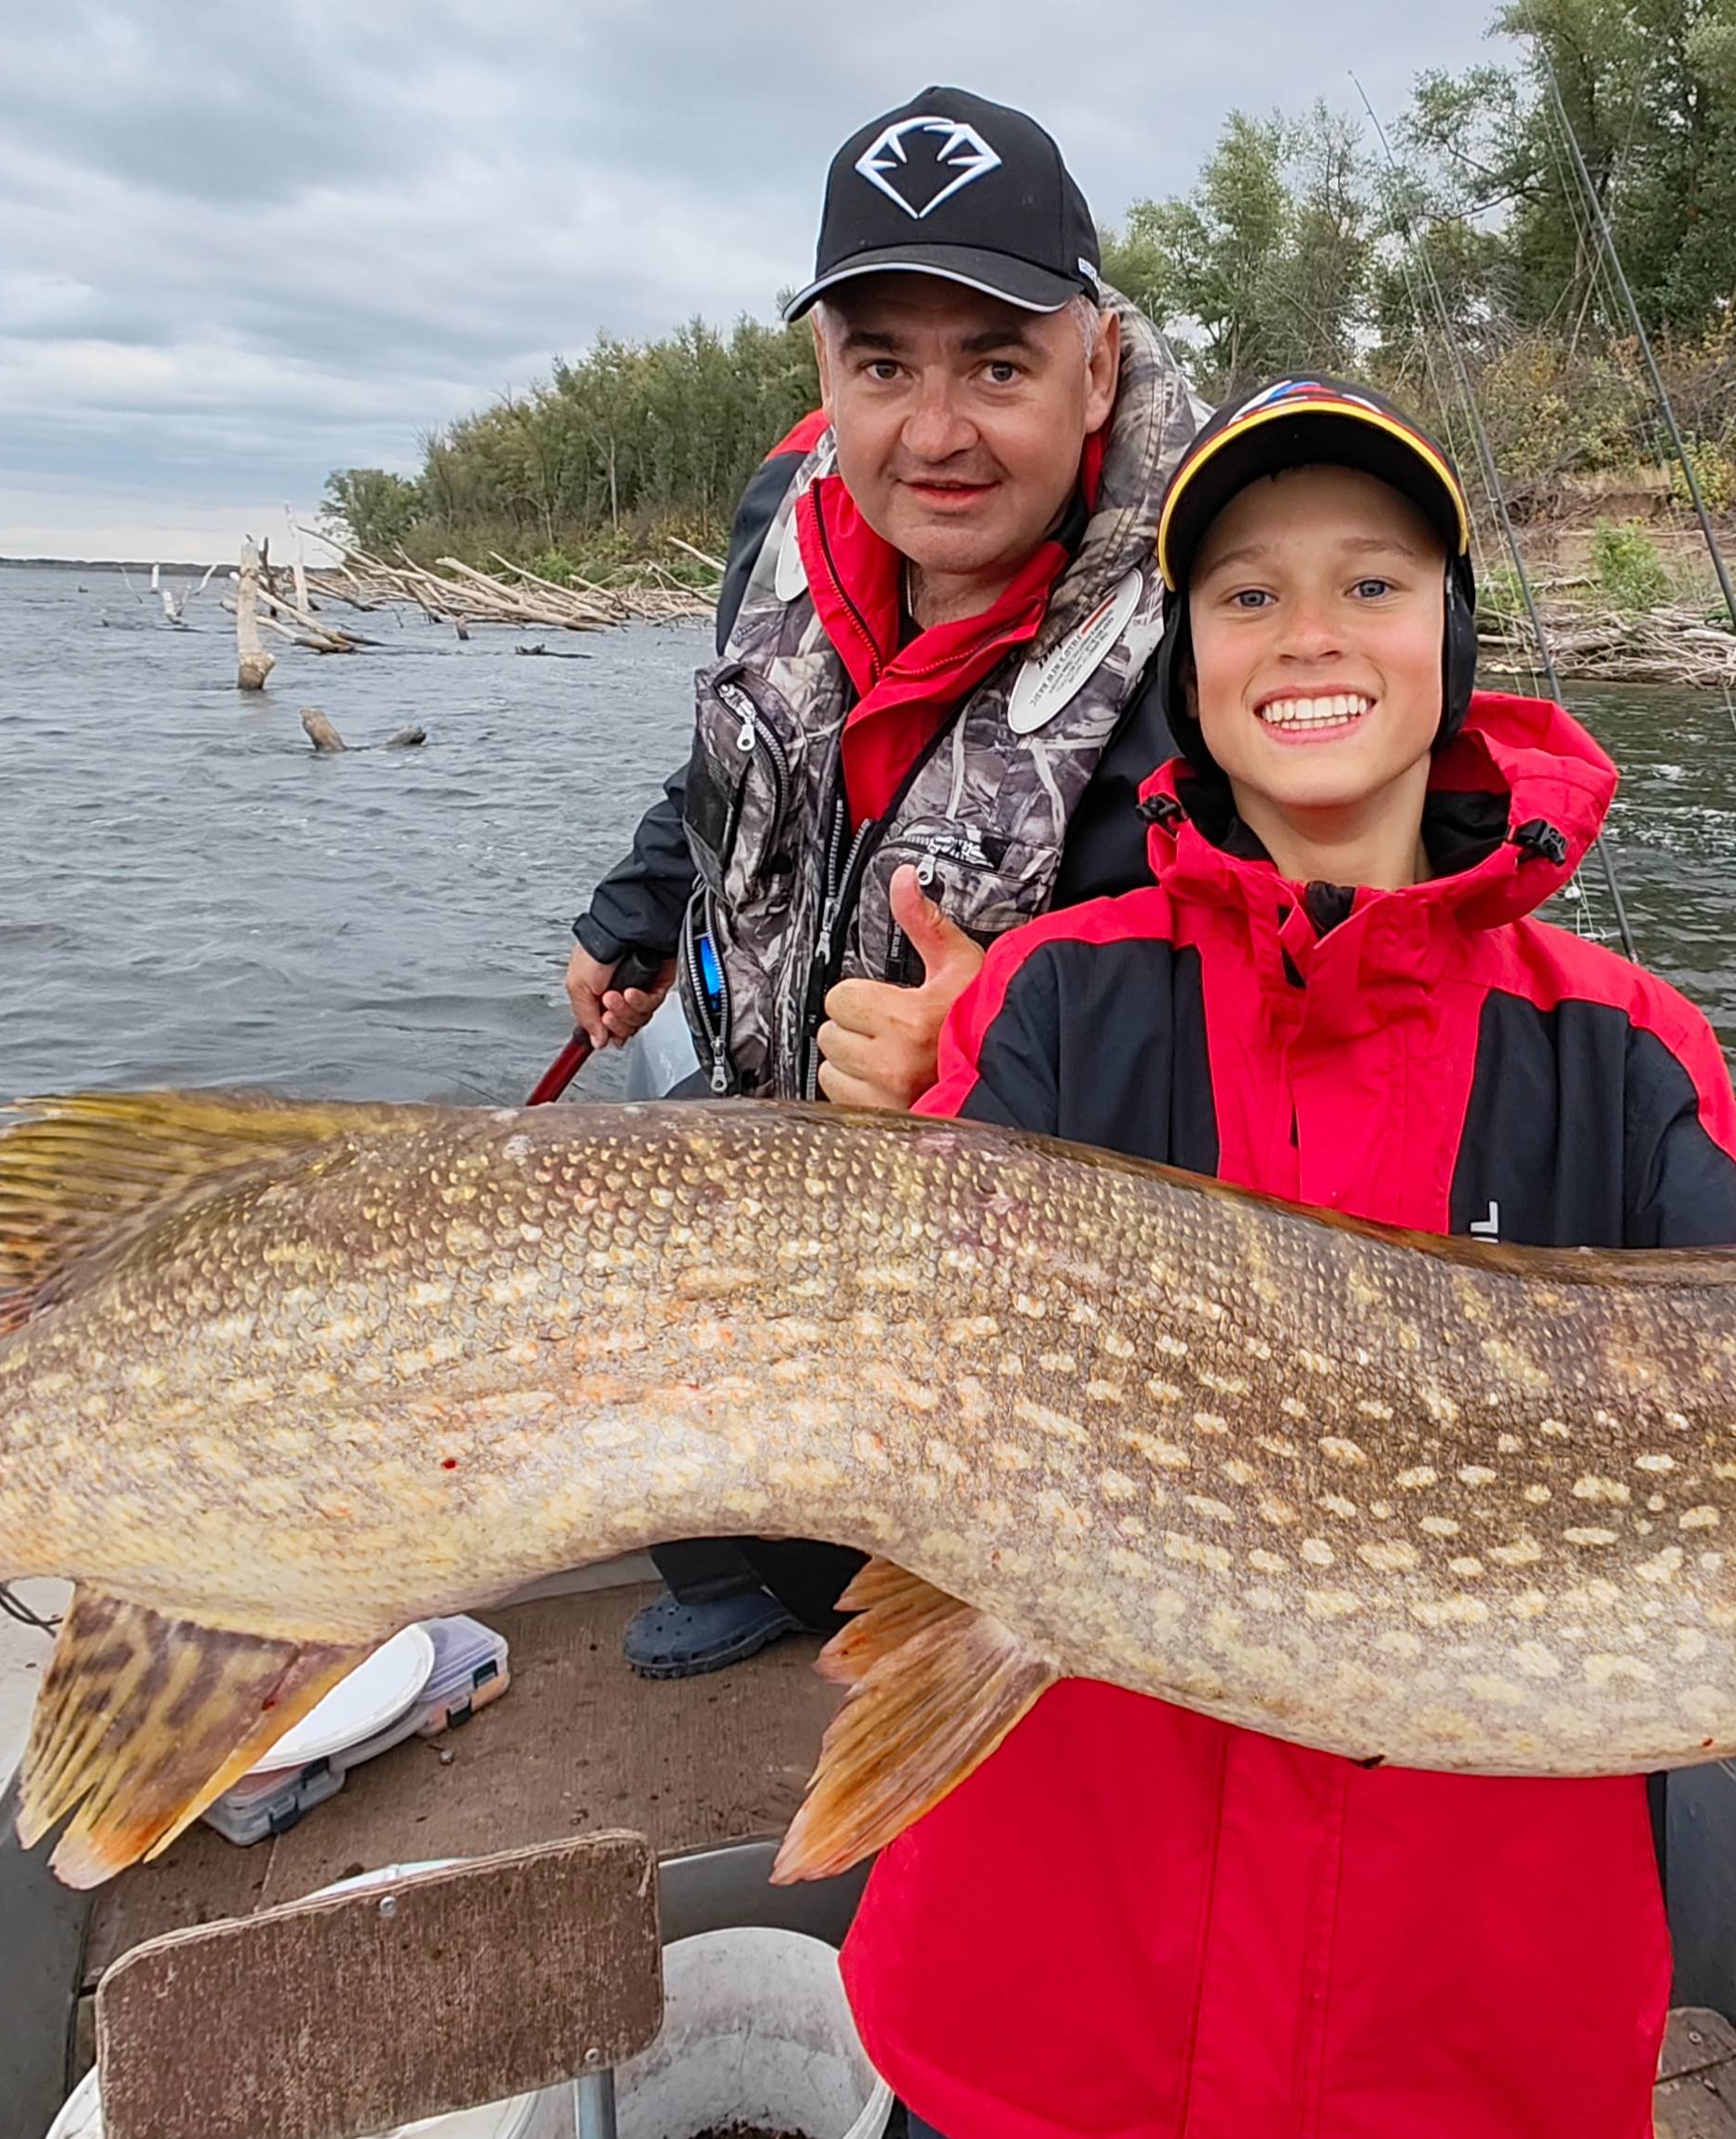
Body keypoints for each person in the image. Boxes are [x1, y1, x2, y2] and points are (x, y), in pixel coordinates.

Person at [840, 377, 1736, 2139]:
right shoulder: (1059, 998)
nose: (1310, 634)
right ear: (1191, 671)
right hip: (1053, 2023)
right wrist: (895, 1114)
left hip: (1462, 2060)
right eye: (1246, 594)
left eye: (1373, 584)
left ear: (1450, 644)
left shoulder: (1616, 1050)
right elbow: (902, 1358)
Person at [562, 87, 1202, 1679]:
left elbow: (1242, 988)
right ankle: (775, 1570)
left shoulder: (1210, 611)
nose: (936, 431)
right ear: (825, 377)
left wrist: (998, 1039)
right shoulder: (788, 516)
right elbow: (741, 754)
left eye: (998, 363)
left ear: (1098, 360)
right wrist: (638, 915)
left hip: (1023, 1239)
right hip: (782, 1104)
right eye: (884, 365)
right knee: (638, 1271)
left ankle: (926, 1587)